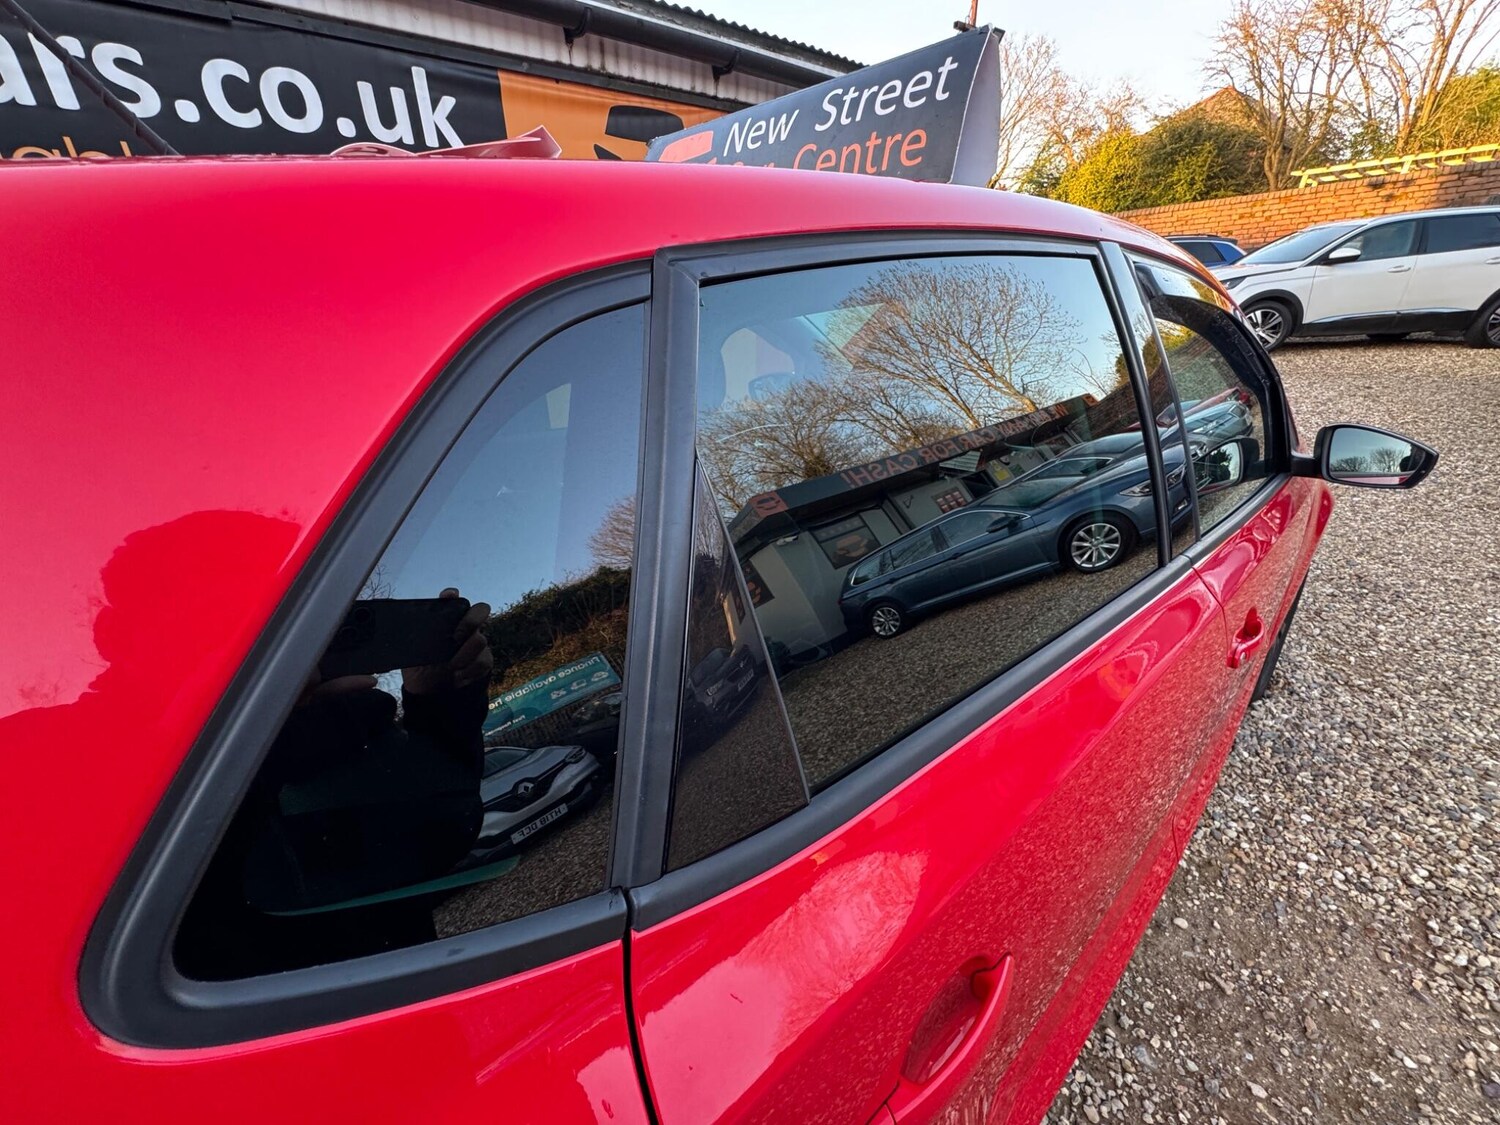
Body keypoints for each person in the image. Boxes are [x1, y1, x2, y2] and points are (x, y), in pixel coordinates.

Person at [178, 589, 495, 978]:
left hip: (413, 991)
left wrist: (440, 705)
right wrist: (259, 743)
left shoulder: (350, 735)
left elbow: (444, 841)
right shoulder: (167, 789)